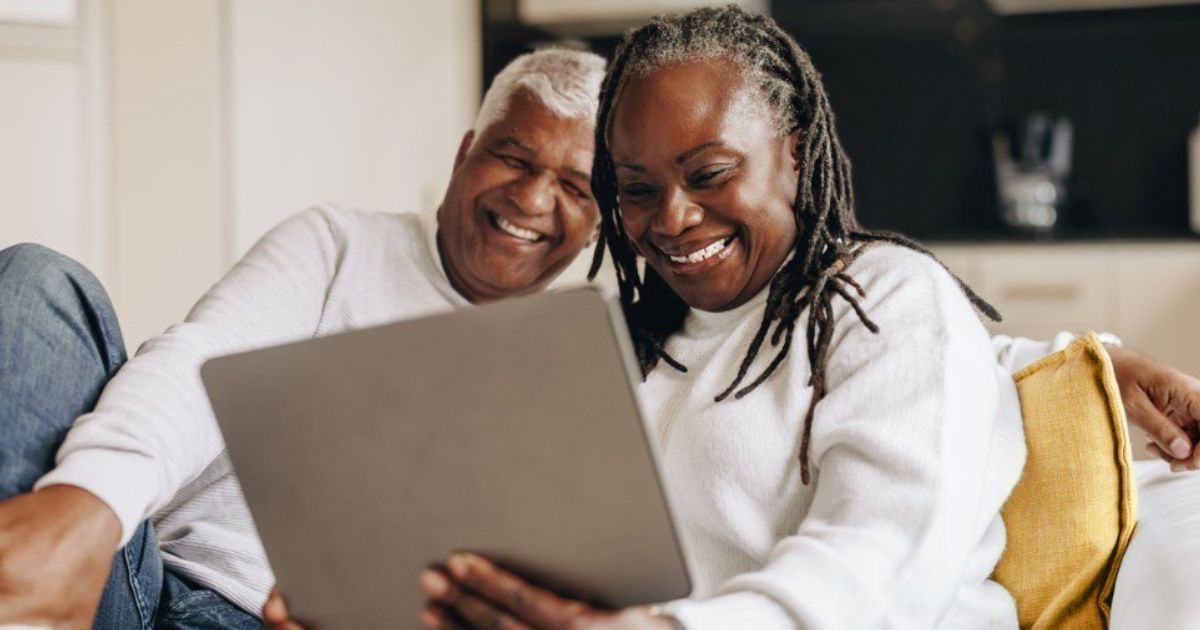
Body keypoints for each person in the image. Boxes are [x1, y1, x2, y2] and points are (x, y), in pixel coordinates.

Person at [346, 8, 1200, 630]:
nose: (672, 220)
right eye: (635, 190)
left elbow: (882, 559)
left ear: (793, 149)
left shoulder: (883, 296)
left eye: (710, 173)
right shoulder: (616, 338)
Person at [0, 47, 607, 629]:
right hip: (141, 584)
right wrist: (89, 502)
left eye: (574, 187)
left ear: (597, 221)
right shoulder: (337, 245)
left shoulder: (572, 368)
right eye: (514, 158)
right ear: (465, 153)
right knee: (39, 280)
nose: (530, 199)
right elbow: (200, 360)